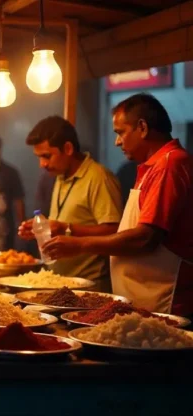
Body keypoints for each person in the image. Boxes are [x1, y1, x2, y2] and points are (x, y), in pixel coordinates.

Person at [41, 94, 193, 315]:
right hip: (145, 298)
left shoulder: (170, 164)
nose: (117, 141)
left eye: (121, 132)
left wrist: (80, 244)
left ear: (142, 127)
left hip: (166, 299)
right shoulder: (153, 166)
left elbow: (146, 237)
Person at [17, 116, 123, 292]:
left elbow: (115, 231)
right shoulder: (60, 175)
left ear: (67, 148)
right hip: (60, 284)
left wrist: (65, 228)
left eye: (47, 156)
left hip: (90, 286)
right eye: (39, 157)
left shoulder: (99, 177)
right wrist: (42, 229)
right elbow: (66, 223)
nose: (42, 164)